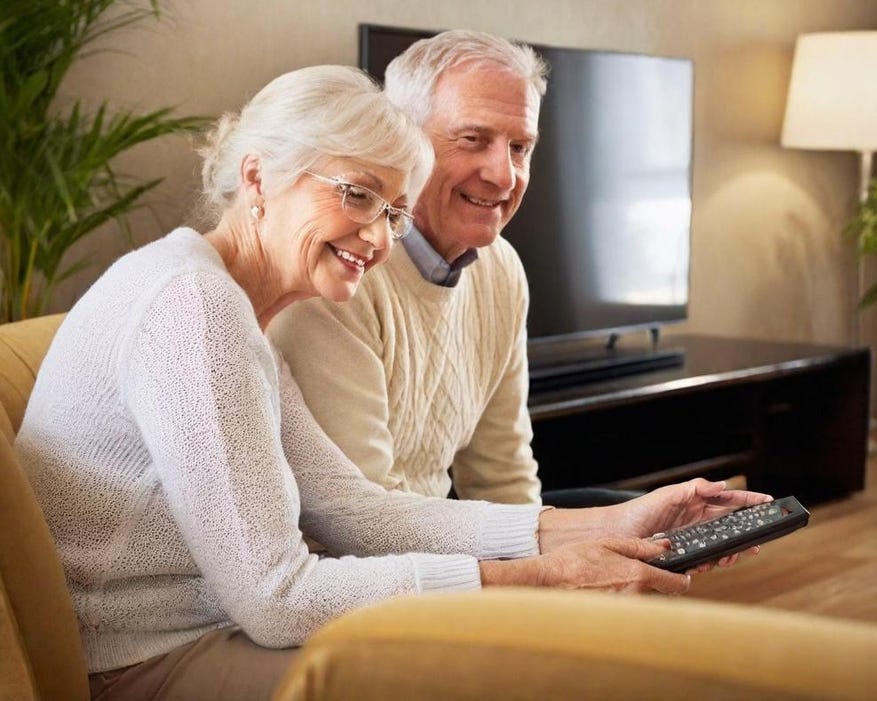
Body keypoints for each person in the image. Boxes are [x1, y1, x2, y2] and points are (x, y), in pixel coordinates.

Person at [15, 64, 769, 701]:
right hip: (144, 662)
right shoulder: (194, 303)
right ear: (256, 177)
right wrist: (538, 577)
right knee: (518, 667)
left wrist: (607, 524)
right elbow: (276, 598)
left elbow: (355, 511)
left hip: (208, 630)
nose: (378, 236)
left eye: (393, 210)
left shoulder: (228, 305)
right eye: (355, 194)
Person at [268, 30, 553, 504]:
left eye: (520, 147)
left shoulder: (501, 268)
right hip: (365, 565)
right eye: (473, 139)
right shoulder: (340, 271)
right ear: (403, 139)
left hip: (442, 550)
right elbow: (364, 516)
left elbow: (503, 476)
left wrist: (541, 572)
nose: (504, 176)